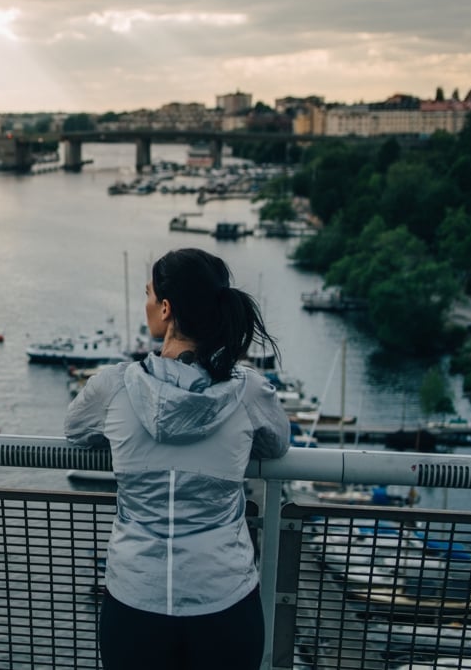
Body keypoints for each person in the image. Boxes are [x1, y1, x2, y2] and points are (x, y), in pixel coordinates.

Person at [65, 248, 290, 670]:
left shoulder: (112, 387)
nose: (147, 302)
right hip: (223, 596)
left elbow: (76, 431)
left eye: (150, 294)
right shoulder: (249, 392)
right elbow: (276, 447)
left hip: (135, 597)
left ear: (165, 309)